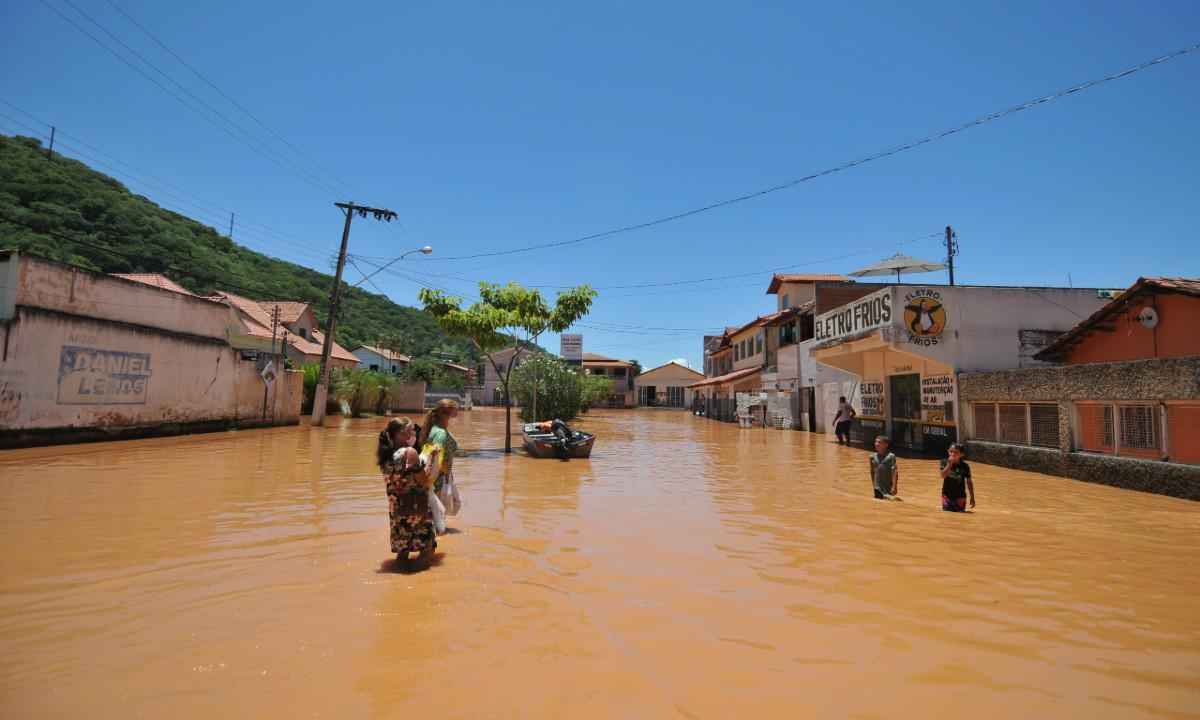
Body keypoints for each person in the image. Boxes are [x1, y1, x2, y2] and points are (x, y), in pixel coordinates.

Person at [378, 418, 436, 563]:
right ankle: (419, 583)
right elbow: (424, 480)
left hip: (397, 508)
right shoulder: (410, 452)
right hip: (416, 507)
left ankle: (398, 582)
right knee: (426, 549)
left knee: (403, 551)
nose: (414, 434)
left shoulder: (386, 456)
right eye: (411, 431)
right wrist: (431, 460)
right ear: (402, 434)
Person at [420, 399, 462, 525]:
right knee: (437, 516)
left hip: (439, 476)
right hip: (439, 478)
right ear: (450, 412)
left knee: (436, 513)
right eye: (456, 409)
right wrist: (436, 479)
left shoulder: (436, 428)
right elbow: (434, 456)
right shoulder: (441, 433)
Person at [939, 443, 975, 512]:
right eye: (951, 451)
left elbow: (969, 482)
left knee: (961, 515)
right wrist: (949, 464)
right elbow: (942, 475)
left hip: (960, 496)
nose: (953, 454)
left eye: (956, 452)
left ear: (962, 454)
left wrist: (972, 497)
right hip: (947, 495)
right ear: (948, 451)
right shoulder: (944, 462)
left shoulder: (965, 466)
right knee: (946, 514)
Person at [868, 435, 898, 500]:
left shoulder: (891, 456)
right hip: (877, 488)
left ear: (886, 445)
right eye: (875, 442)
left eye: (879, 442)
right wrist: (874, 484)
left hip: (888, 487)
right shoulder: (872, 457)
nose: (876, 444)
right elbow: (872, 471)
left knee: (891, 502)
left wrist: (894, 486)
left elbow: (894, 472)